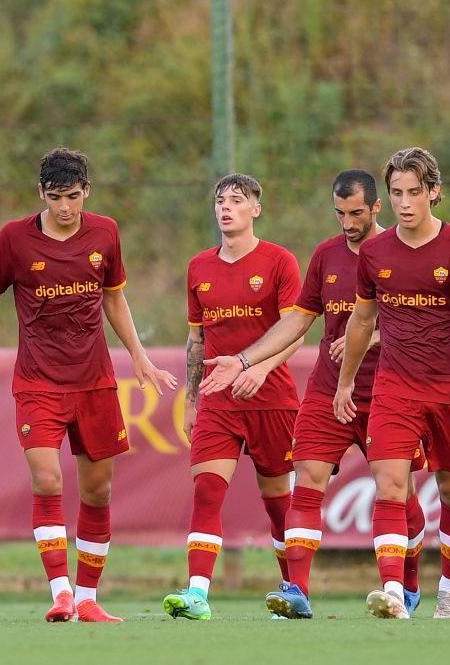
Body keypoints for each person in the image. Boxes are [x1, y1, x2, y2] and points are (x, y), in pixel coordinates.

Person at [0, 148, 176, 623]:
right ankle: (61, 594)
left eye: (74, 196)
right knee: (47, 479)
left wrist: (139, 358)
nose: (66, 207)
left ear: (88, 192)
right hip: (38, 381)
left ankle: (87, 598)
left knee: (98, 493)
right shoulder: (14, 239)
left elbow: (114, 299)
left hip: (95, 382)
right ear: (41, 193)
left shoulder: (106, 232)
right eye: (57, 197)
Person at [199, 170, 428, 619]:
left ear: (377, 207)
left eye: (357, 214)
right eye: (340, 213)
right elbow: (298, 320)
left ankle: (406, 588)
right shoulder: (326, 255)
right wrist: (244, 360)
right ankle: (298, 591)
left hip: (389, 390)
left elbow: (422, 323)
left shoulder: (402, 254)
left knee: (398, 493)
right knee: (306, 480)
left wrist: (372, 338)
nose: (348, 223)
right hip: (329, 390)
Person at [333, 147, 450, 619]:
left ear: (433, 193)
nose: (405, 202)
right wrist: (346, 383)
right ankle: (393, 592)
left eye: (414, 192)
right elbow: (362, 321)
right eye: (396, 193)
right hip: (394, 386)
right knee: (389, 486)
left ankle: (449, 590)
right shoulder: (374, 252)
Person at [162, 174, 303, 621]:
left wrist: (259, 368)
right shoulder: (199, 266)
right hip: (218, 401)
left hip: (271, 398)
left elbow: (296, 332)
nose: (225, 208)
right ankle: (198, 593)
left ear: (255, 209)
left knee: (278, 499)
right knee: (206, 489)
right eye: (220, 201)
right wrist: (190, 399)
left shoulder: (280, 261)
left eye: (236, 201)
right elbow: (196, 341)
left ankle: (295, 590)